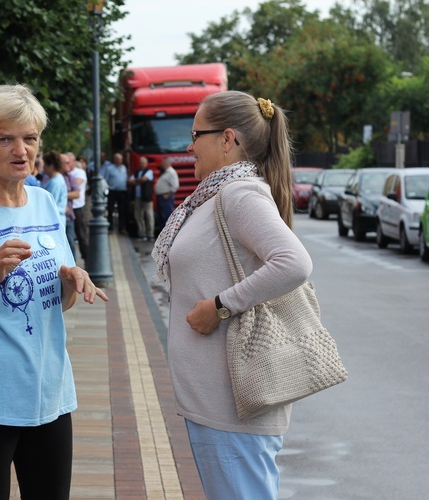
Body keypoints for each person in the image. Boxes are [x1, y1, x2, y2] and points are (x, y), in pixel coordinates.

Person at [0, 84, 108, 500]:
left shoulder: (45, 203)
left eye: (30, 138)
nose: (21, 150)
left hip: (50, 392)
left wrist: (71, 282)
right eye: (6, 139)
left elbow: (59, 301)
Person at [151, 91, 313, 500]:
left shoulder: (238, 193)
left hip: (234, 402)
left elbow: (293, 263)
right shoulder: (213, 195)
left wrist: (222, 305)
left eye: (195, 134)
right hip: (216, 399)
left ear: (226, 139)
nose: (188, 146)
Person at [68, 152, 89, 263]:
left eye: (68, 162)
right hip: (68, 208)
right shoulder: (65, 174)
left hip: (78, 207)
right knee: (69, 237)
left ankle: (86, 259)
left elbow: (73, 187)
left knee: (82, 235)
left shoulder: (79, 172)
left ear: (73, 162)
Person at [128, 156, 155, 241]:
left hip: (147, 198)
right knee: (138, 216)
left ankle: (150, 235)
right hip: (137, 197)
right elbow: (130, 181)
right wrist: (138, 181)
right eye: (140, 163)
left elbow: (143, 179)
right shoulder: (136, 172)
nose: (141, 164)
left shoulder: (149, 171)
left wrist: (136, 181)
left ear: (146, 164)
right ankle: (142, 234)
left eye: (143, 163)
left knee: (149, 216)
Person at [102, 152, 128, 233]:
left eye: (121, 159)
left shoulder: (124, 168)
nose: (120, 161)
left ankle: (121, 227)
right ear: (114, 160)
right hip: (113, 191)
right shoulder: (110, 169)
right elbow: (105, 179)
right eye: (118, 159)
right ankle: (110, 227)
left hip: (122, 191)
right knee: (110, 209)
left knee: (122, 210)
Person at [42, 150, 68, 226]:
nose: (44, 168)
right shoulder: (58, 179)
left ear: (51, 166)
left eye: (45, 165)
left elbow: (50, 204)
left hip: (54, 220)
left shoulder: (55, 182)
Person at [154, 157, 179, 231]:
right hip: (161, 197)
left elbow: (175, 185)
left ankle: (168, 232)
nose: (161, 165)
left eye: (162, 163)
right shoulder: (165, 172)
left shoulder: (171, 172)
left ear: (166, 163)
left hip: (166, 197)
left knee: (166, 216)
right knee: (161, 217)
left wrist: (168, 194)